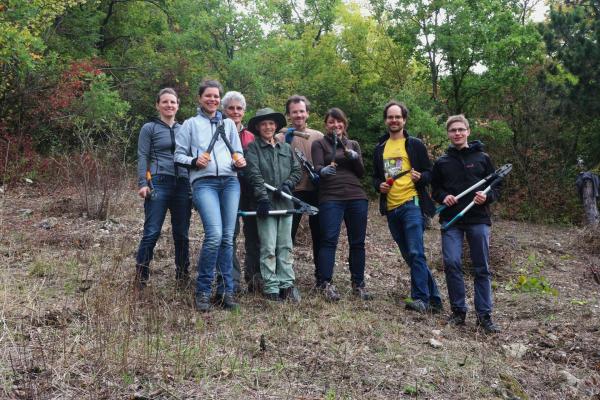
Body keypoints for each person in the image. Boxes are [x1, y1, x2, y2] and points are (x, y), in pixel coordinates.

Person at [174, 79, 246, 312]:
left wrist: (239, 163)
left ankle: (226, 292)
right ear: (200, 98)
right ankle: (203, 290)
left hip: (230, 183)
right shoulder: (190, 124)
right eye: (208, 96)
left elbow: (237, 153)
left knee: (227, 237)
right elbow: (178, 156)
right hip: (204, 183)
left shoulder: (228, 125)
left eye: (216, 96)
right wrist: (194, 161)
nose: (213, 99)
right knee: (214, 235)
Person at [431, 114, 501, 333]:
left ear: (468, 131)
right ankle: (458, 312)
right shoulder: (442, 162)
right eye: (453, 131)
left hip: (478, 219)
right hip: (452, 220)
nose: (457, 133)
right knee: (452, 263)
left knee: (482, 267)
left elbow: (496, 187)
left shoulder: (483, 158)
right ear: (448, 134)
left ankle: (484, 316)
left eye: (461, 129)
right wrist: (444, 197)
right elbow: (435, 190)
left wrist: (486, 197)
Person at [372, 100, 442, 313]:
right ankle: (435, 299)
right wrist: (379, 186)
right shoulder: (380, 148)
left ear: (404, 119)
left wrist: (421, 177)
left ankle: (420, 298)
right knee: (409, 254)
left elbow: (431, 173)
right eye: (390, 117)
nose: (394, 120)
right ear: (386, 120)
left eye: (398, 117)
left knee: (415, 252)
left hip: (412, 203)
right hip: (392, 209)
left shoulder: (414, 144)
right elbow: (376, 178)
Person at [311, 108, 373, 301]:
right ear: (326, 125)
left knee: (358, 242)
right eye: (331, 122)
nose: (335, 125)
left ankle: (358, 284)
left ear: (344, 124)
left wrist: (354, 157)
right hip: (331, 197)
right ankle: (325, 283)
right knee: (329, 240)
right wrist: (323, 171)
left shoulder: (353, 144)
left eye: (339, 122)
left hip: (356, 196)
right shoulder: (319, 144)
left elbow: (361, 172)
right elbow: (317, 167)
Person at [135, 88, 191, 289]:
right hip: (158, 182)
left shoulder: (184, 128)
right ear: (157, 105)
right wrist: (143, 183)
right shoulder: (149, 128)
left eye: (173, 102)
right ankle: (141, 277)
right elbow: (142, 156)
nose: (169, 105)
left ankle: (183, 277)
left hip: (183, 184)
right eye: (165, 102)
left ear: (178, 105)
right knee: (151, 232)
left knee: (182, 234)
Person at [245, 108, 302, 302]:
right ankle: (271, 286)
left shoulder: (286, 148)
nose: (268, 127)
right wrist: (262, 198)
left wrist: (287, 184)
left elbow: (296, 170)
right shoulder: (253, 149)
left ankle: (287, 284)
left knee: (285, 246)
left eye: (271, 123)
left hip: (285, 202)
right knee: (268, 247)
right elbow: (254, 174)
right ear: (258, 128)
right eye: (263, 124)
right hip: (265, 205)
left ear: (276, 126)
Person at [218, 90, 262, 293]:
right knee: (229, 235)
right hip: (227, 190)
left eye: (239, 108)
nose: (235, 112)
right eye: (231, 108)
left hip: (250, 192)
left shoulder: (252, 136)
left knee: (254, 235)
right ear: (223, 110)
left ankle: (254, 278)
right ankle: (231, 279)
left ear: (244, 111)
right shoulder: (217, 132)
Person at [276, 95, 323, 277]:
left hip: (316, 192)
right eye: (294, 112)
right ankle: (284, 276)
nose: (298, 115)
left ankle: (321, 277)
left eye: (302, 111)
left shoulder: (318, 136)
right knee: (287, 236)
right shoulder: (280, 137)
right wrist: (285, 143)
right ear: (288, 115)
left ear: (307, 113)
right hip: (292, 192)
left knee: (319, 235)